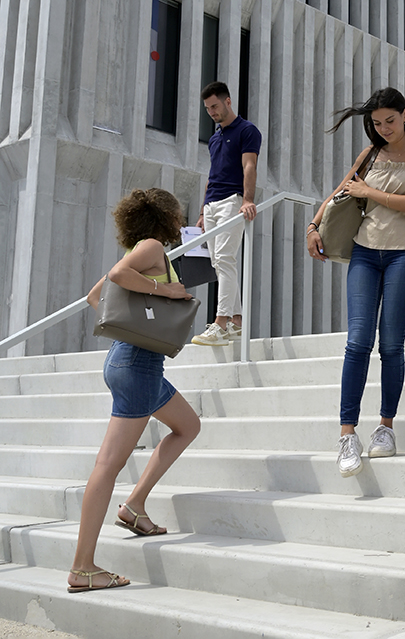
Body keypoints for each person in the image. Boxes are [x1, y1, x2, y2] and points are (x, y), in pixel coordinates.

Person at [68, 189, 201, 593]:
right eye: (177, 213)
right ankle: (83, 567)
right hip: (138, 365)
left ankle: (135, 506)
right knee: (107, 465)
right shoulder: (152, 247)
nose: (180, 221)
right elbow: (115, 279)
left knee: (188, 426)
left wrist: (137, 318)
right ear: (165, 215)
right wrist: (166, 293)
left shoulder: (142, 249)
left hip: (130, 360)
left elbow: (96, 297)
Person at [306, 88, 405, 477]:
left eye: (390, 122)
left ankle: (385, 428)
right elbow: (339, 193)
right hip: (365, 251)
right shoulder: (370, 154)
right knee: (357, 341)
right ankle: (348, 434)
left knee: (392, 344)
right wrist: (313, 225)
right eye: (377, 124)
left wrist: (369, 191)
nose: (383, 129)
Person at [191, 81, 262, 347]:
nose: (211, 112)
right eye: (208, 108)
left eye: (215, 106)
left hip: (233, 202)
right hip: (211, 205)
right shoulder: (214, 137)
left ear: (228, 101)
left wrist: (248, 200)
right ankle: (236, 321)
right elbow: (212, 175)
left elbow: (249, 166)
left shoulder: (247, 130)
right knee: (220, 264)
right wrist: (201, 211)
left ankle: (221, 323)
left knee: (224, 258)